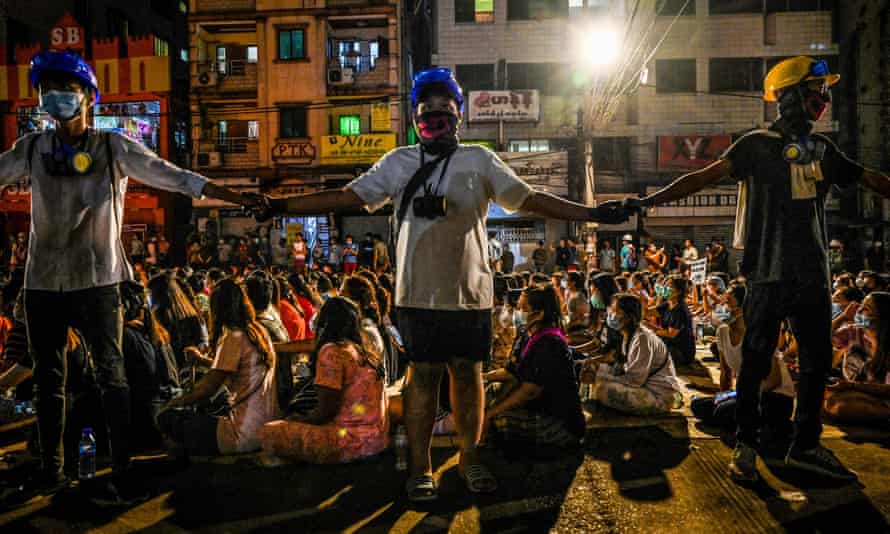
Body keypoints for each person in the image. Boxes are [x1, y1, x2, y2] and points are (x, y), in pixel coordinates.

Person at [248, 67, 630, 501]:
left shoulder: (480, 160)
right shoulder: (398, 162)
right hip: (416, 296)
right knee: (422, 381)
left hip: (471, 297)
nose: (434, 117)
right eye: (425, 111)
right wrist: (279, 205)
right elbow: (346, 196)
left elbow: (532, 199)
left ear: (459, 115)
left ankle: (470, 458)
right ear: (415, 119)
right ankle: (420, 469)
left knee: (469, 379)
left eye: (443, 110)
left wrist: (594, 214)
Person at [2, 50, 258, 499]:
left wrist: (233, 194)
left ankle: (119, 467)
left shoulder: (112, 147)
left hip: (100, 281)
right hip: (42, 280)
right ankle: (51, 467)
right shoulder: (33, 148)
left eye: (68, 88)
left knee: (111, 376)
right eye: (49, 89)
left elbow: (171, 176)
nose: (57, 96)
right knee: (48, 380)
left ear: (89, 99)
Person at [622, 57, 890, 481]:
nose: (825, 99)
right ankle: (746, 448)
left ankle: (805, 445)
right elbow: (703, 177)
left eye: (826, 92)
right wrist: (647, 202)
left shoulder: (824, 151)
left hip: (812, 277)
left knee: (816, 363)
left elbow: (871, 179)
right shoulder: (756, 145)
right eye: (818, 90)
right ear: (791, 96)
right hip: (766, 273)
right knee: (754, 360)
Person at [259, 297, 388, 464]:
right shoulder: (363, 350)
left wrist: (299, 420)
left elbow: (325, 412)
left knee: (268, 431)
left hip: (350, 442)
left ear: (325, 322)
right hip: (377, 440)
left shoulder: (331, 351)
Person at [158, 279, 279, 456]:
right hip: (266, 424)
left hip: (243, 434)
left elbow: (207, 388)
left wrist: (175, 403)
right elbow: (229, 368)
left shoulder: (233, 337)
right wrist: (201, 360)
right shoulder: (258, 332)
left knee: (167, 419)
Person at [690, 285, 794, 456]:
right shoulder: (722, 332)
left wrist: (739, 397)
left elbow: (774, 381)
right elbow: (725, 373)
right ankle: (755, 423)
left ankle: (776, 427)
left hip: (774, 397)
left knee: (723, 413)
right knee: (699, 406)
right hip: (747, 395)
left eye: (728, 302)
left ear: (743, 308)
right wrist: (723, 396)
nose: (722, 307)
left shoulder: (758, 335)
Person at [483, 284, 585, 450]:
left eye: (523, 308)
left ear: (539, 314)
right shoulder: (527, 333)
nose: (518, 311)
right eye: (518, 306)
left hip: (559, 421)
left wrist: (491, 413)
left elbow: (530, 390)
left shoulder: (550, 342)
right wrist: (482, 378)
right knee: (486, 393)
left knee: (499, 422)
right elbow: (512, 371)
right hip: (536, 406)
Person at [584, 293, 683, 415]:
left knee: (602, 389)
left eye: (615, 311)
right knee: (597, 368)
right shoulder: (628, 334)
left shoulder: (642, 339)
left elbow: (634, 381)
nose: (610, 314)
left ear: (629, 316)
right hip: (642, 385)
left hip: (658, 395)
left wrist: (598, 377)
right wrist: (596, 367)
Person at [824, 292, 890, 424]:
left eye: (866, 309)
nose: (858, 310)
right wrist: (842, 317)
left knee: (841, 407)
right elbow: (821, 337)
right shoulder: (854, 331)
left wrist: (852, 386)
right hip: (859, 391)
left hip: (882, 397)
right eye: (860, 305)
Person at [646, 275, 695, 366]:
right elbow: (649, 312)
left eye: (669, 286)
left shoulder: (680, 309)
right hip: (670, 344)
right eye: (665, 285)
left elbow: (671, 334)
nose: (665, 288)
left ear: (679, 291)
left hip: (680, 352)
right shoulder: (668, 304)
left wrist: (651, 328)